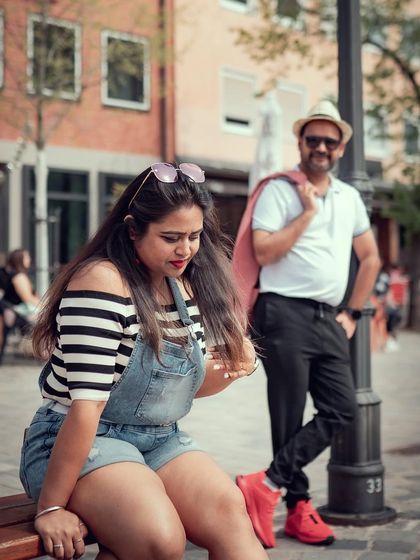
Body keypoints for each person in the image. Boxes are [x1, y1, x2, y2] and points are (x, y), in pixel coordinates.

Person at [19, 162, 268, 560]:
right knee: (159, 540)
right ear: (133, 229)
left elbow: (173, 391)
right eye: (171, 237)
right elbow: (88, 407)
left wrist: (237, 366)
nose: (185, 249)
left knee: (229, 512)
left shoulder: (184, 284)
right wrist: (51, 508)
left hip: (158, 438)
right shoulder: (100, 281)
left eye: (194, 236)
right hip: (78, 440)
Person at [233, 100, 381, 548]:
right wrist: (307, 215)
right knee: (288, 415)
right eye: (312, 139)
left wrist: (352, 312)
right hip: (284, 314)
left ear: (340, 149)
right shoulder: (278, 190)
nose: (320, 146)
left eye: (329, 141)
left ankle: (266, 483)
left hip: (329, 318)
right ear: (299, 142)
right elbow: (264, 253)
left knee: (342, 408)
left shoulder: (350, 197)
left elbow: (370, 258)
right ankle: (298, 507)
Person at [0, 249, 40, 363]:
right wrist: (44, 305)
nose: (29, 259)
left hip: (17, 311)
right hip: (20, 310)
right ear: (20, 259)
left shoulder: (19, 275)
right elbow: (27, 298)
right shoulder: (18, 277)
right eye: (26, 257)